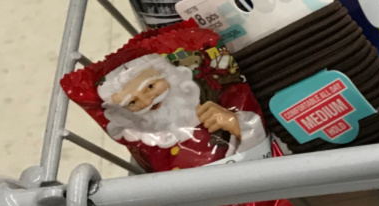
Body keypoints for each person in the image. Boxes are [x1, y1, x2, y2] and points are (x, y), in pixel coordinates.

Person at [98, 53, 265, 160]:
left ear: (170, 76)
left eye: (150, 87)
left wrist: (236, 124)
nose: (149, 102)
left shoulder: (216, 98)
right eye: (132, 103)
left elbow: (263, 149)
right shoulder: (148, 148)